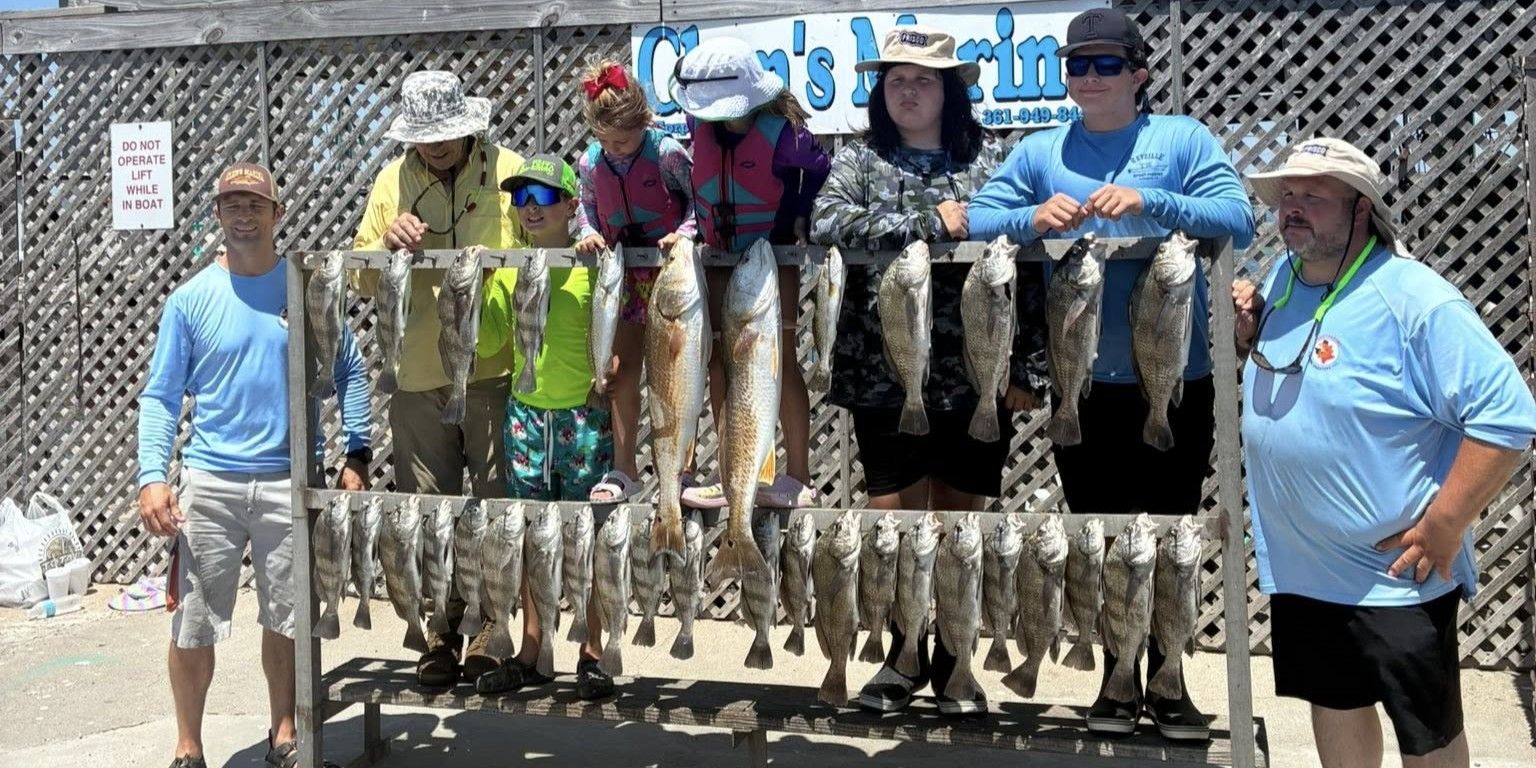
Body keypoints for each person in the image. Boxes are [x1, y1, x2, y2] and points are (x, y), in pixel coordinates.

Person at [969, 7, 1254, 739]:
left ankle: (1169, 678)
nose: (1088, 78)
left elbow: (1238, 217)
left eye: (1103, 64)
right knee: (1095, 535)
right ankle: (1114, 681)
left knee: (1169, 537)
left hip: (1174, 381)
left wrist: (1151, 201)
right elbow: (977, 217)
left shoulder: (1181, 139)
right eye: (1076, 65)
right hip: (1080, 385)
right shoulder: (1041, 150)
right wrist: (1031, 217)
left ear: (1138, 72)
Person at [1232, 137, 1536, 768]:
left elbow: (1509, 419)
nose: (1293, 206)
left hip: (1396, 577)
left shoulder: (1415, 298)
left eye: (1315, 195)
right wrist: (1245, 338)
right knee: (1334, 704)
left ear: (1361, 209)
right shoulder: (1282, 280)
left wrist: (1446, 524)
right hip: (1304, 567)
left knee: (1425, 733)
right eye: (1287, 194)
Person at [811, 25, 1047, 717]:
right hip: (886, 373)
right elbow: (827, 224)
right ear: (881, 92)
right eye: (895, 80)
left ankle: (954, 661)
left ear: (950, 90)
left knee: (960, 523)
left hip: (979, 374)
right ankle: (899, 655)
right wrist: (929, 219)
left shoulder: (994, 160)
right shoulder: (858, 161)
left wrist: (1029, 366)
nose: (908, 90)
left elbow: (1028, 261)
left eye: (922, 79)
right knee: (893, 519)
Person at [137, 163, 372, 768]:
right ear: (218, 215)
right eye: (232, 205)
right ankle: (189, 745)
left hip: (289, 481)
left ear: (277, 214)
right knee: (192, 619)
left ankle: (284, 732)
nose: (244, 215)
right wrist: (152, 477)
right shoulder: (189, 300)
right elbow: (162, 396)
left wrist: (358, 451)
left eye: (255, 205)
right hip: (210, 483)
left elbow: (350, 373)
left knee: (287, 616)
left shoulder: (304, 291)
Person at [352, 70, 527, 686]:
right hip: (418, 373)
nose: (435, 145)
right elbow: (361, 278)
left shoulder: (510, 170)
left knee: (496, 503)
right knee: (429, 510)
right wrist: (383, 247)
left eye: (445, 133)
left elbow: (541, 246)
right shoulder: (390, 181)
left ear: (468, 126)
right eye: (424, 136)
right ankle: (439, 630)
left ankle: (492, 626)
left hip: (495, 369)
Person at [472, 154, 617, 701]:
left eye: (542, 198)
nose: (529, 209)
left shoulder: (592, 262)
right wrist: (484, 282)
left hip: (582, 415)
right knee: (533, 536)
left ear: (570, 206)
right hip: (527, 415)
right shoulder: (510, 266)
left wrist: (594, 253)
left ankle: (593, 651)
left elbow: (614, 332)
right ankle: (532, 651)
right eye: (520, 199)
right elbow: (488, 344)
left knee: (588, 537)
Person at [669, 36, 831, 509]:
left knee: (778, 360)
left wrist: (802, 213)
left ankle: (798, 475)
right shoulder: (695, 124)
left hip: (772, 258)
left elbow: (820, 169)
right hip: (718, 256)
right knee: (722, 361)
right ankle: (733, 472)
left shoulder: (785, 134)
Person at [570, 60, 697, 505]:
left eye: (622, 140)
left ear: (644, 121)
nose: (614, 149)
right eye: (605, 140)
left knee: (674, 374)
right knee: (620, 374)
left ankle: (683, 470)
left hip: (669, 278)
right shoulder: (590, 161)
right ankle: (625, 469)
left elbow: (697, 202)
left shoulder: (667, 153)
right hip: (621, 279)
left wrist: (682, 234)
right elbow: (584, 207)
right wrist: (587, 232)